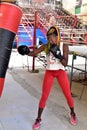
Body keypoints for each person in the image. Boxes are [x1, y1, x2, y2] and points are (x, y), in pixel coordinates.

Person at [18, 26, 77, 129]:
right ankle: (38, 119)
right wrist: (26, 52)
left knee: (67, 95)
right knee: (44, 96)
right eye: (48, 38)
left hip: (60, 72)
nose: (50, 40)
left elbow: (65, 64)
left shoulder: (64, 46)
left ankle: (73, 113)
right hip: (49, 72)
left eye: (52, 37)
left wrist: (58, 55)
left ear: (57, 37)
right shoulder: (46, 46)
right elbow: (34, 53)